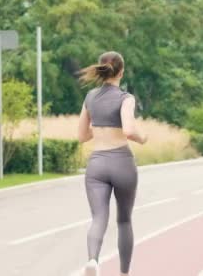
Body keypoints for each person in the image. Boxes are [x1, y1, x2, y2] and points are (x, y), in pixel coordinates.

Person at [78, 51, 148, 276]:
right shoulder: (125, 98)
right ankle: (124, 273)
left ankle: (92, 260)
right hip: (121, 162)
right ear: (121, 72)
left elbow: (81, 135)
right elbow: (128, 129)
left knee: (98, 217)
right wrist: (142, 137)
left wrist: (99, 128)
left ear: (101, 69)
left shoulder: (90, 97)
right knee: (124, 220)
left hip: (97, 164)